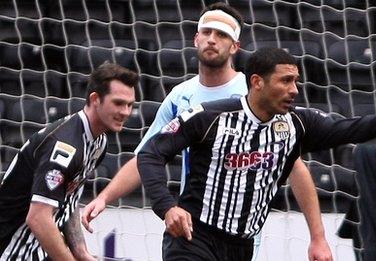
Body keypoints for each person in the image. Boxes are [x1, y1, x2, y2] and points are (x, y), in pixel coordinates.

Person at [81, 3, 332, 261]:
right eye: (207, 32)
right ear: (196, 38)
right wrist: (104, 198)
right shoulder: (181, 97)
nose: (212, 40)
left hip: (239, 235)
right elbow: (146, 156)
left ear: (235, 46)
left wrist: (318, 237)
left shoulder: (256, 95)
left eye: (222, 35)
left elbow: (293, 166)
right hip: (193, 228)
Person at [136, 47, 376, 261]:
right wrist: (168, 207)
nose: (294, 89)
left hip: (241, 246)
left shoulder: (297, 123)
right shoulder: (208, 116)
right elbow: (150, 154)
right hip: (193, 239)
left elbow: (348, 129)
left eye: (296, 81)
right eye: (286, 80)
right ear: (257, 82)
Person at [0, 62, 138, 260]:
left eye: (130, 105)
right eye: (118, 103)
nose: (126, 112)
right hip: (10, 251)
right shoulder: (65, 147)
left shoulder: (98, 142)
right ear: (95, 99)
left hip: (35, 248)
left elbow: (68, 199)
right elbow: (38, 218)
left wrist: (81, 252)